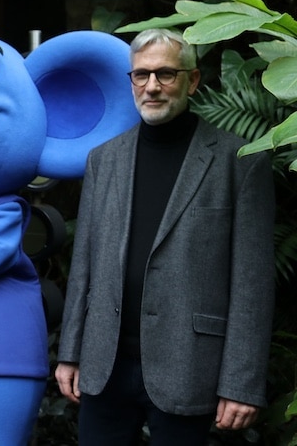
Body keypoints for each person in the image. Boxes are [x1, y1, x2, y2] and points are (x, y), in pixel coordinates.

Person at [55, 28, 276, 445]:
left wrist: (241, 383)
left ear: (192, 81)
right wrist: (71, 351)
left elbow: (253, 285)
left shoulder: (241, 161)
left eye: (166, 74)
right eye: (141, 75)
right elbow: (83, 263)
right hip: (104, 366)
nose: (152, 87)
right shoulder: (104, 160)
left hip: (191, 366)